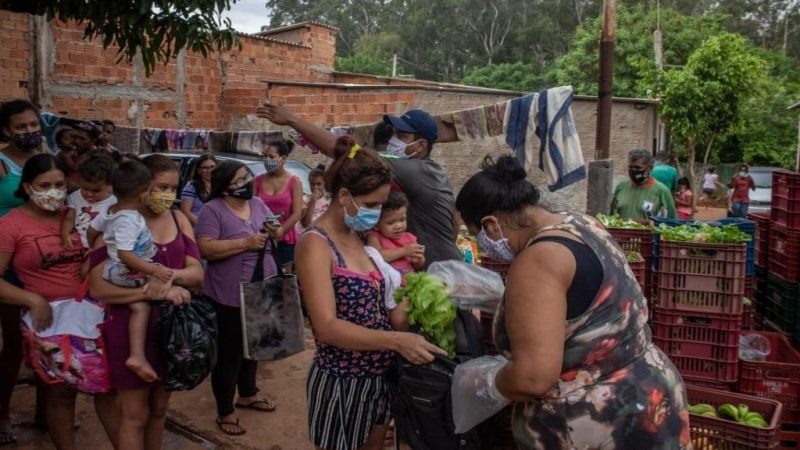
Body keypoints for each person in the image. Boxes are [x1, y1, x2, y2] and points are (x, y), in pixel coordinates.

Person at [455, 155, 691, 449]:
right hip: (650, 392)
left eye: (479, 237)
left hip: (601, 420)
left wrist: (485, 382)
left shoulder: (537, 260)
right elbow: (580, 304)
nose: (484, 247)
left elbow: (532, 378)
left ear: (491, 224)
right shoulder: (581, 222)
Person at [295, 136, 444, 450]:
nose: (376, 214)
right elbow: (326, 327)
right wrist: (396, 341)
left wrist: (423, 291)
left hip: (379, 380)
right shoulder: (315, 244)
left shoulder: (360, 239)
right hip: (342, 382)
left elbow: (388, 315)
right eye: (372, 205)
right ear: (345, 195)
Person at [87, 154, 203, 450]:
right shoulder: (119, 226)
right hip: (129, 329)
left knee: (159, 410)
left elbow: (196, 274)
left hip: (170, 331)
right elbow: (98, 287)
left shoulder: (178, 219)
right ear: (141, 187)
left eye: (173, 189)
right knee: (135, 414)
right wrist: (158, 291)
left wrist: (167, 279)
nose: (168, 195)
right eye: (161, 187)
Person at [256, 104, 462, 269]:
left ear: (421, 146)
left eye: (402, 137)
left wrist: (293, 120)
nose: (394, 140)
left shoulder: (413, 170)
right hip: (441, 267)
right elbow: (453, 221)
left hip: (438, 274)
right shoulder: (434, 172)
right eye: (395, 134)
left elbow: (346, 151)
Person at [0, 153, 102, 450]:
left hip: (92, 313)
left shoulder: (78, 215)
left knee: (101, 387)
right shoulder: (11, 225)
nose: (54, 192)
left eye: (60, 184)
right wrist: (32, 299)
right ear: (28, 187)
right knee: (60, 392)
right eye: (44, 185)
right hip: (49, 320)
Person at [195, 160, 283, 436]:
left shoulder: (257, 203)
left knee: (254, 346)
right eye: (238, 180)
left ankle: (247, 393)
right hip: (228, 295)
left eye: (247, 176)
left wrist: (273, 230)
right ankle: (225, 410)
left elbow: (276, 229)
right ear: (224, 189)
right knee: (229, 354)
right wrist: (245, 243)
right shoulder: (212, 210)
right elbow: (206, 249)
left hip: (261, 290)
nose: (246, 182)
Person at [89, 160, 175, 383]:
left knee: (139, 305)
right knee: (144, 306)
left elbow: (92, 229)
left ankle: (138, 356)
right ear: (143, 195)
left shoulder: (110, 211)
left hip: (117, 267)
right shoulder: (128, 220)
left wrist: (92, 245)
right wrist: (154, 271)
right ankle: (137, 356)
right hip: (125, 269)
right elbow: (126, 254)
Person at [0, 99, 46, 445]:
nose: (29, 132)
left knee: (47, 338)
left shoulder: (47, 160)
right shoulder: (0, 164)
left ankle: (47, 412)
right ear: (6, 131)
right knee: (14, 341)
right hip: (6, 261)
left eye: (33, 125)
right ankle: (2, 414)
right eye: (20, 127)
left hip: (43, 260)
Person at [60, 151, 117, 278]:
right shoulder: (75, 197)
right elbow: (69, 217)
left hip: (103, 248)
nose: (89, 194)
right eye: (85, 188)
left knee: (87, 273)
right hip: (80, 247)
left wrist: (96, 248)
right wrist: (65, 234)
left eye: (96, 190)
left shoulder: (114, 203)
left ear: (109, 184)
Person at [254, 139, 304, 270]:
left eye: (271, 156)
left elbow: (297, 213)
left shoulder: (295, 182)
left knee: (284, 282)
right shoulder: (257, 181)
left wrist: (280, 230)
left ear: (283, 158)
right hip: (261, 238)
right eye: (264, 156)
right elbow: (252, 209)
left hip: (285, 239)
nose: (267, 160)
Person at [366, 190, 425, 273]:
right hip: (390, 280)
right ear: (376, 224)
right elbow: (377, 257)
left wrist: (418, 260)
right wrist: (404, 251)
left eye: (402, 220)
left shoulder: (409, 238)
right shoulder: (374, 236)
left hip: (409, 279)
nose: (398, 226)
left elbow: (418, 266)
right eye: (391, 223)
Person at [610, 149, 677, 220]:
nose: (633, 171)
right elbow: (612, 217)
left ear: (650, 168)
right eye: (630, 167)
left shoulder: (662, 191)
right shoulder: (621, 187)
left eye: (638, 168)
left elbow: (672, 221)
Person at [180, 153, 216, 225]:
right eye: (205, 168)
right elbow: (185, 212)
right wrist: (204, 225)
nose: (209, 170)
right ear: (199, 170)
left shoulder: (222, 186)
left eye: (212, 167)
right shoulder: (191, 187)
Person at [297, 164, 330, 236]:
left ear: (325, 184)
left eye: (319, 184)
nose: (315, 187)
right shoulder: (304, 200)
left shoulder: (329, 200)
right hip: (306, 236)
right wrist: (313, 201)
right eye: (312, 184)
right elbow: (305, 223)